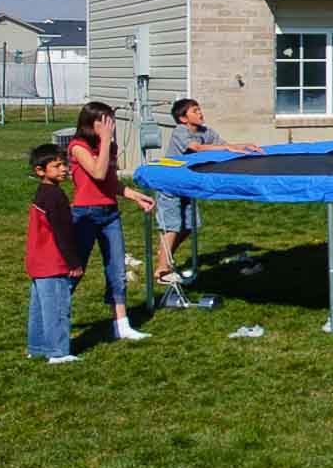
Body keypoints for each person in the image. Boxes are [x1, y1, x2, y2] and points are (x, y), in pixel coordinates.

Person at [66, 101, 157, 341]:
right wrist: (105, 141)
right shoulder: (78, 147)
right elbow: (96, 172)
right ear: (91, 123)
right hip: (85, 214)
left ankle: (121, 324)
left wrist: (133, 195)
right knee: (76, 270)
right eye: (105, 121)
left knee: (117, 270)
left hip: (109, 214)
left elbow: (109, 183)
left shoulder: (111, 147)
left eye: (111, 121)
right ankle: (56, 320)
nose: (111, 126)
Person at [155, 96, 261, 285]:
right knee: (172, 225)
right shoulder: (180, 131)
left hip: (187, 185)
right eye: (194, 111)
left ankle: (166, 253)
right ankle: (162, 271)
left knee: (189, 226)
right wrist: (227, 147)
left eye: (200, 109)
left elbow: (224, 146)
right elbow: (195, 148)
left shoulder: (206, 131)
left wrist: (243, 146)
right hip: (169, 183)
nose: (200, 113)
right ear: (183, 118)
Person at [24, 143, 84, 362]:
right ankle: (58, 352)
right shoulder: (55, 197)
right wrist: (73, 263)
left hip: (37, 261)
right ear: (40, 171)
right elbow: (62, 232)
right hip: (52, 262)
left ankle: (37, 347)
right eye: (57, 166)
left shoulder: (42, 193)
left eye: (64, 164)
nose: (63, 169)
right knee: (57, 307)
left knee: (39, 307)